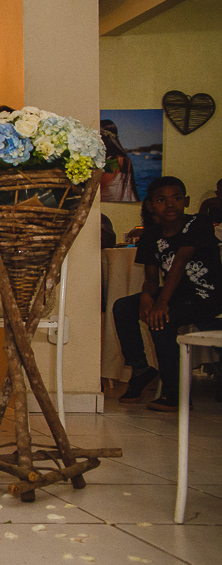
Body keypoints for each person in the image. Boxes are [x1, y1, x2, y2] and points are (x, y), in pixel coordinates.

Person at [113, 176, 222, 411]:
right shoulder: (151, 236)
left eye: (177, 198)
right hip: (176, 295)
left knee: (162, 319)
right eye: (162, 200)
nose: (170, 204)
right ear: (151, 206)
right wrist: (146, 297)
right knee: (123, 307)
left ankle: (176, 393)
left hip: (207, 295)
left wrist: (160, 303)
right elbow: (152, 280)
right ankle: (141, 370)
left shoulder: (199, 223)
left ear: (186, 201)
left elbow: (180, 260)